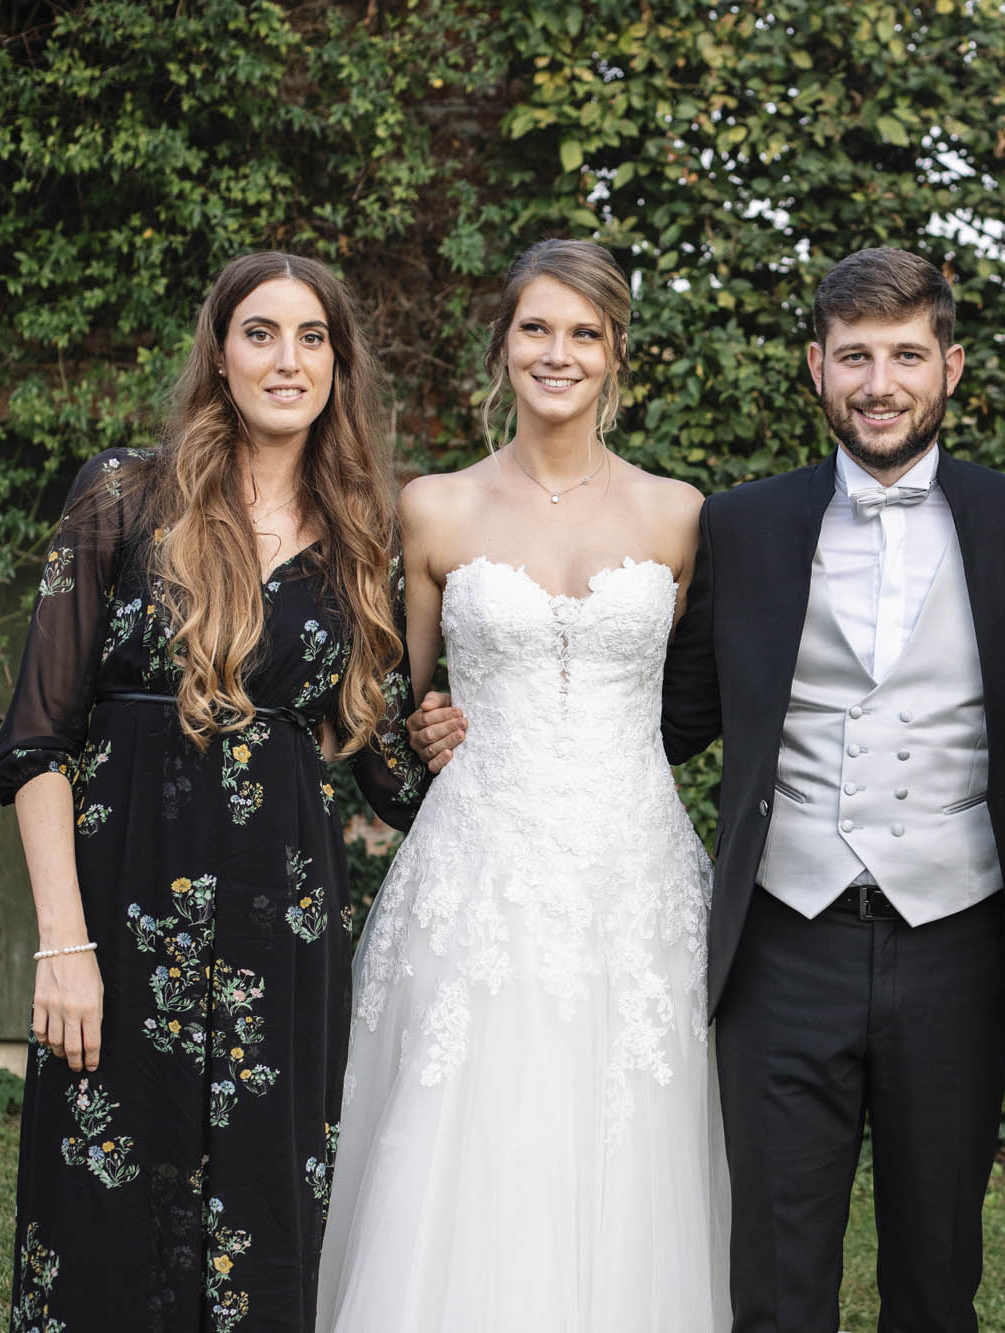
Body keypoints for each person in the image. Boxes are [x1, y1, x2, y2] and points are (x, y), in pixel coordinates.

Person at [417, 248, 1005, 1330]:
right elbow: (668, 709)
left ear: (951, 368)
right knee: (771, 1271)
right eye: (852, 356)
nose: (879, 382)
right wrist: (484, 732)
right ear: (815, 368)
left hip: (956, 936)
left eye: (906, 355)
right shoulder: (744, 525)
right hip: (782, 939)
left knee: (938, 1269)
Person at [0, 252, 425, 1330]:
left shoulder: (365, 541)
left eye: (312, 336)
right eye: (261, 333)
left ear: (339, 363)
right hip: (122, 917)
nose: (288, 359)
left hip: (282, 933)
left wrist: (448, 731)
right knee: (100, 1207)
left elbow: (390, 777)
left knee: (266, 1220)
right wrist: (62, 944)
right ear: (219, 354)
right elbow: (37, 743)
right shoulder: (124, 497)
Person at [315, 239, 728, 1330]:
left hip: (631, 869)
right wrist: (422, 727)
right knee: (472, 1132)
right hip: (478, 871)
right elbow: (395, 710)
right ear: (501, 347)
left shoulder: (679, 515)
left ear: (615, 353)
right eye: (536, 328)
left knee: (631, 1136)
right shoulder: (433, 508)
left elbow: (688, 698)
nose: (558, 352)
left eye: (583, 332)